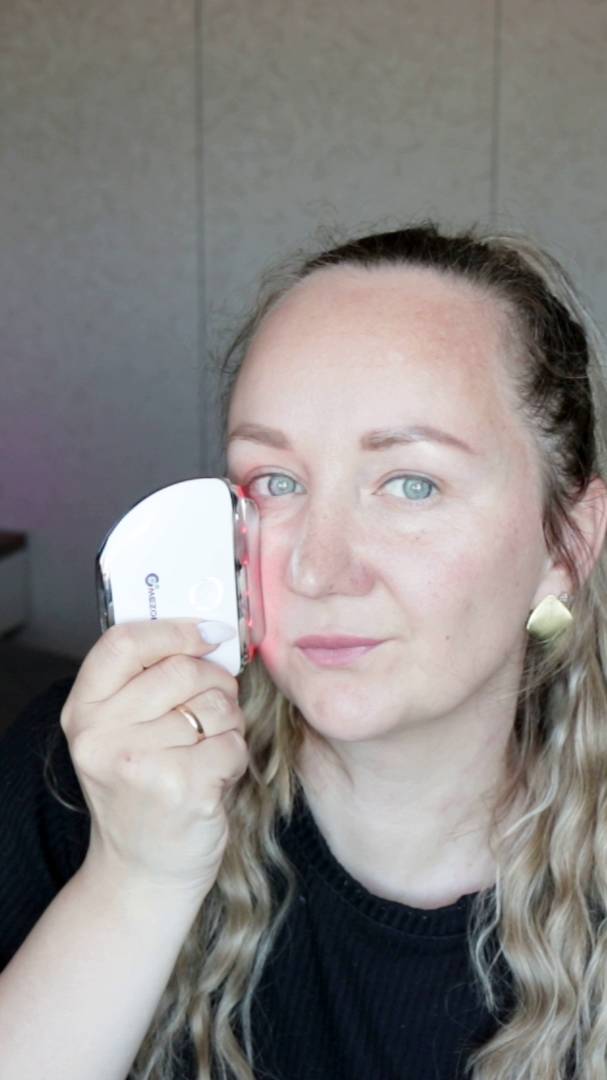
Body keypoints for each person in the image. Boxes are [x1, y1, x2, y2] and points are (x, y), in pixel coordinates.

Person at [1, 221, 607, 1080]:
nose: (318, 570)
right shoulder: (80, 776)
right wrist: (135, 878)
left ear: (566, 544)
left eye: (411, 484)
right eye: (275, 482)